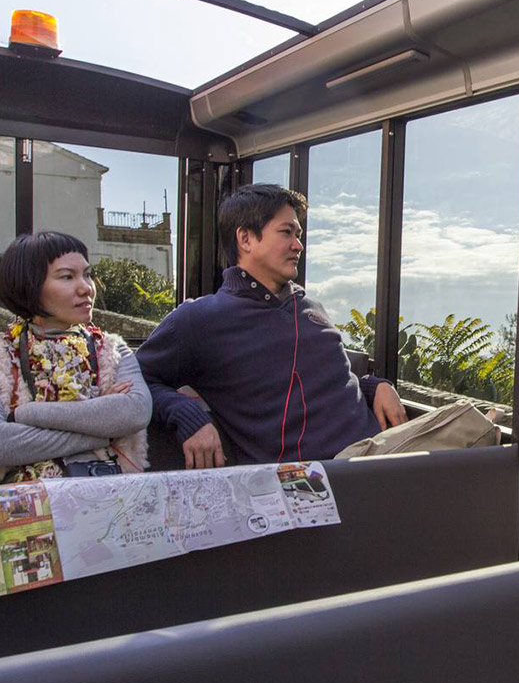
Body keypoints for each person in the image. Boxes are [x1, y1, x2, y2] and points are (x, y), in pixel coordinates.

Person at [137, 183, 407, 469]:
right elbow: (134, 381)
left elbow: (329, 378)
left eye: (298, 235)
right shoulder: (201, 319)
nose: (298, 245)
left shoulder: (310, 307)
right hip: (326, 473)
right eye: (286, 232)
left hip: (383, 448)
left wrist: (374, 386)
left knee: (447, 424)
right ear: (245, 239)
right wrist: (184, 412)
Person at [0, 232, 151, 483]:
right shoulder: (4, 354)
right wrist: (103, 430)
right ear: (29, 285)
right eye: (67, 277)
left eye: (87, 274)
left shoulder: (112, 350)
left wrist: (26, 414)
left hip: (108, 498)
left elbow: (134, 413)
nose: (86, 288)